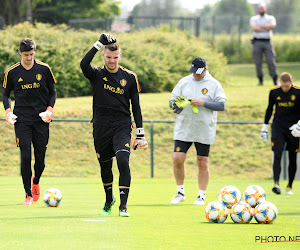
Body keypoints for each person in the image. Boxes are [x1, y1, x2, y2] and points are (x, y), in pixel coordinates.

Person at [80, 33, 148, 217]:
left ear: (120, 56)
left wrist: (140, 133)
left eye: (115, 57)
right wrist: (98, 43)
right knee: (105, 167)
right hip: (101, 127)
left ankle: (123, 206)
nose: (112, 61)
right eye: (109, 57)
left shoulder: (129, 77)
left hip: (122, 126)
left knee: (123, 161)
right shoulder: (96, 74)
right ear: (103, 55)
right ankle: (109, 199)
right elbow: (83, 64)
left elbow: (136, 106)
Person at [2, 38, 57, 205]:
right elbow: (5, 94)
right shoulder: (12, 72)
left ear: (35, 52)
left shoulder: (44, 69)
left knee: (40, 161)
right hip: (22, 120)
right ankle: (28, 195)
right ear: (20, 53)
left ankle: (36, 181)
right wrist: (8, 111)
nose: (29, 58)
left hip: (41, 119)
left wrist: (49, 110)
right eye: (26, 55)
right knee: (25, 157)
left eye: (31, 54)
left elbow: (53, 92)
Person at [169, 57, 226, 205]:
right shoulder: (184, 82)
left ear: (206, 69)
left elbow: (221, 105)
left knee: (202, 162)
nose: (196, 75)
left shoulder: (214, 84)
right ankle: (180, 192)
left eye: (199, 73)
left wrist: (204, 103)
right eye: (194, 72)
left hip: (203, 128)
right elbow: (172, 100)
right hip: (184, 127)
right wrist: (177, 105)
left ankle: (201, 195)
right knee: (177, 158)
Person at [260, 72, 300, 195]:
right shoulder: (274, 92)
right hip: (278, 127)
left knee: (292, 157)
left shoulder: (298, 92)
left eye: (287, 86)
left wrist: (299, 125)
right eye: (283, 86)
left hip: (293, 129)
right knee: (277, 153)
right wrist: (264, 126)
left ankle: (289, 186)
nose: (284, 89)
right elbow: (269, 109)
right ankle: (276, 183)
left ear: (291, 83)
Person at [250, 3, 278, 86]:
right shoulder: (254, 18)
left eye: (262, 8)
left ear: (265, 9)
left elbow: (272, 26)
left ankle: (274, 79)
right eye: (260, 8)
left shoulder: (270, 18)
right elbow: (254, 28)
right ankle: (260, 80)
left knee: (271, 60)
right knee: (258, 62)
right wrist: (266, 28)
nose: (261, 10)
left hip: (267, 42)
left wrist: (260, 27)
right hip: (257, 42)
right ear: (258, 9)